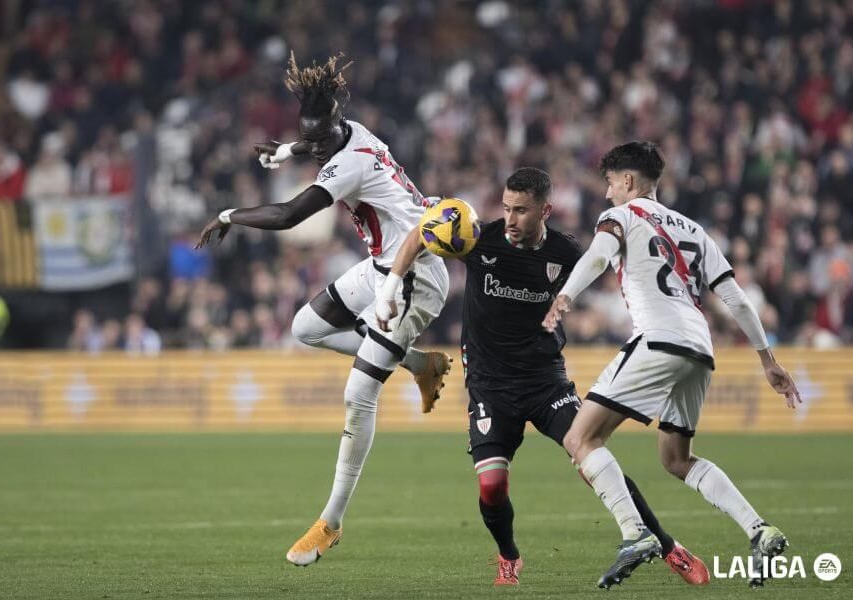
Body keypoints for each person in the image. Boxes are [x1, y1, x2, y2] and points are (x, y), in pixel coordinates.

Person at [377, 167, 708, 586]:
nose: (511, 219)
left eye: (522, 211)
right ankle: (509, 555)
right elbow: (419, 235)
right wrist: (390, 288)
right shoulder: (480, 239)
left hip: (546, 382)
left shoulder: (567, 253)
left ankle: (667, 546)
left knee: (594, 459)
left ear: (545, 210)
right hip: (490, 387)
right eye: (507, 208)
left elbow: (613, 274)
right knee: (492, 487)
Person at [195, 53, 452, 566]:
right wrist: (290, 149)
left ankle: (330, 522)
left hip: (415, 277)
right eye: (307, 139)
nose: (313, 148)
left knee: (359, 394)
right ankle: (421, 364)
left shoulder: (348, 163)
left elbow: (290, 215)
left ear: (336, 124)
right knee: (305, 326)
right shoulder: (351, 130)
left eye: (318, 139)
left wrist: (228, 214)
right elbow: (320, 142)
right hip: (382, 266)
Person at [542, 142, 802, 588]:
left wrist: (567, 293)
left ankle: (634, 532)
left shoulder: (622, 217)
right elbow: (735, 299)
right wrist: (767, 359)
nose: (606, 194)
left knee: (579, 437)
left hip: (658, 340)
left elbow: (600, 254)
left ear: (627, 181)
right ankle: (760, 530)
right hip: (700, 350)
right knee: (676, 458)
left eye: (609, 183)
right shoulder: (695, 229)